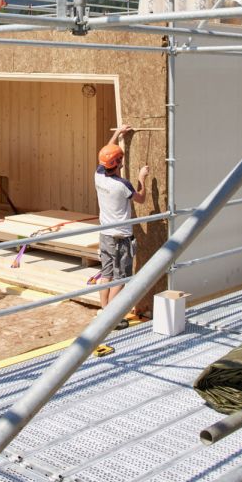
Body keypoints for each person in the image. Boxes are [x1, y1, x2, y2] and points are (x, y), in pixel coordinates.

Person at [95, 124, 149, 329]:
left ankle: (103, 311)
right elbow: (141, 199)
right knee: (121, 278)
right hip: (121, 237)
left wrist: (118, 134)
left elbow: (106, 154)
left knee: (106, 273)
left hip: (106, 234)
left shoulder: (98, 176)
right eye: (120, 159)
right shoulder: (123, 185)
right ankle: (111, 317)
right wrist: (141, 179)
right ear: (118, 163)